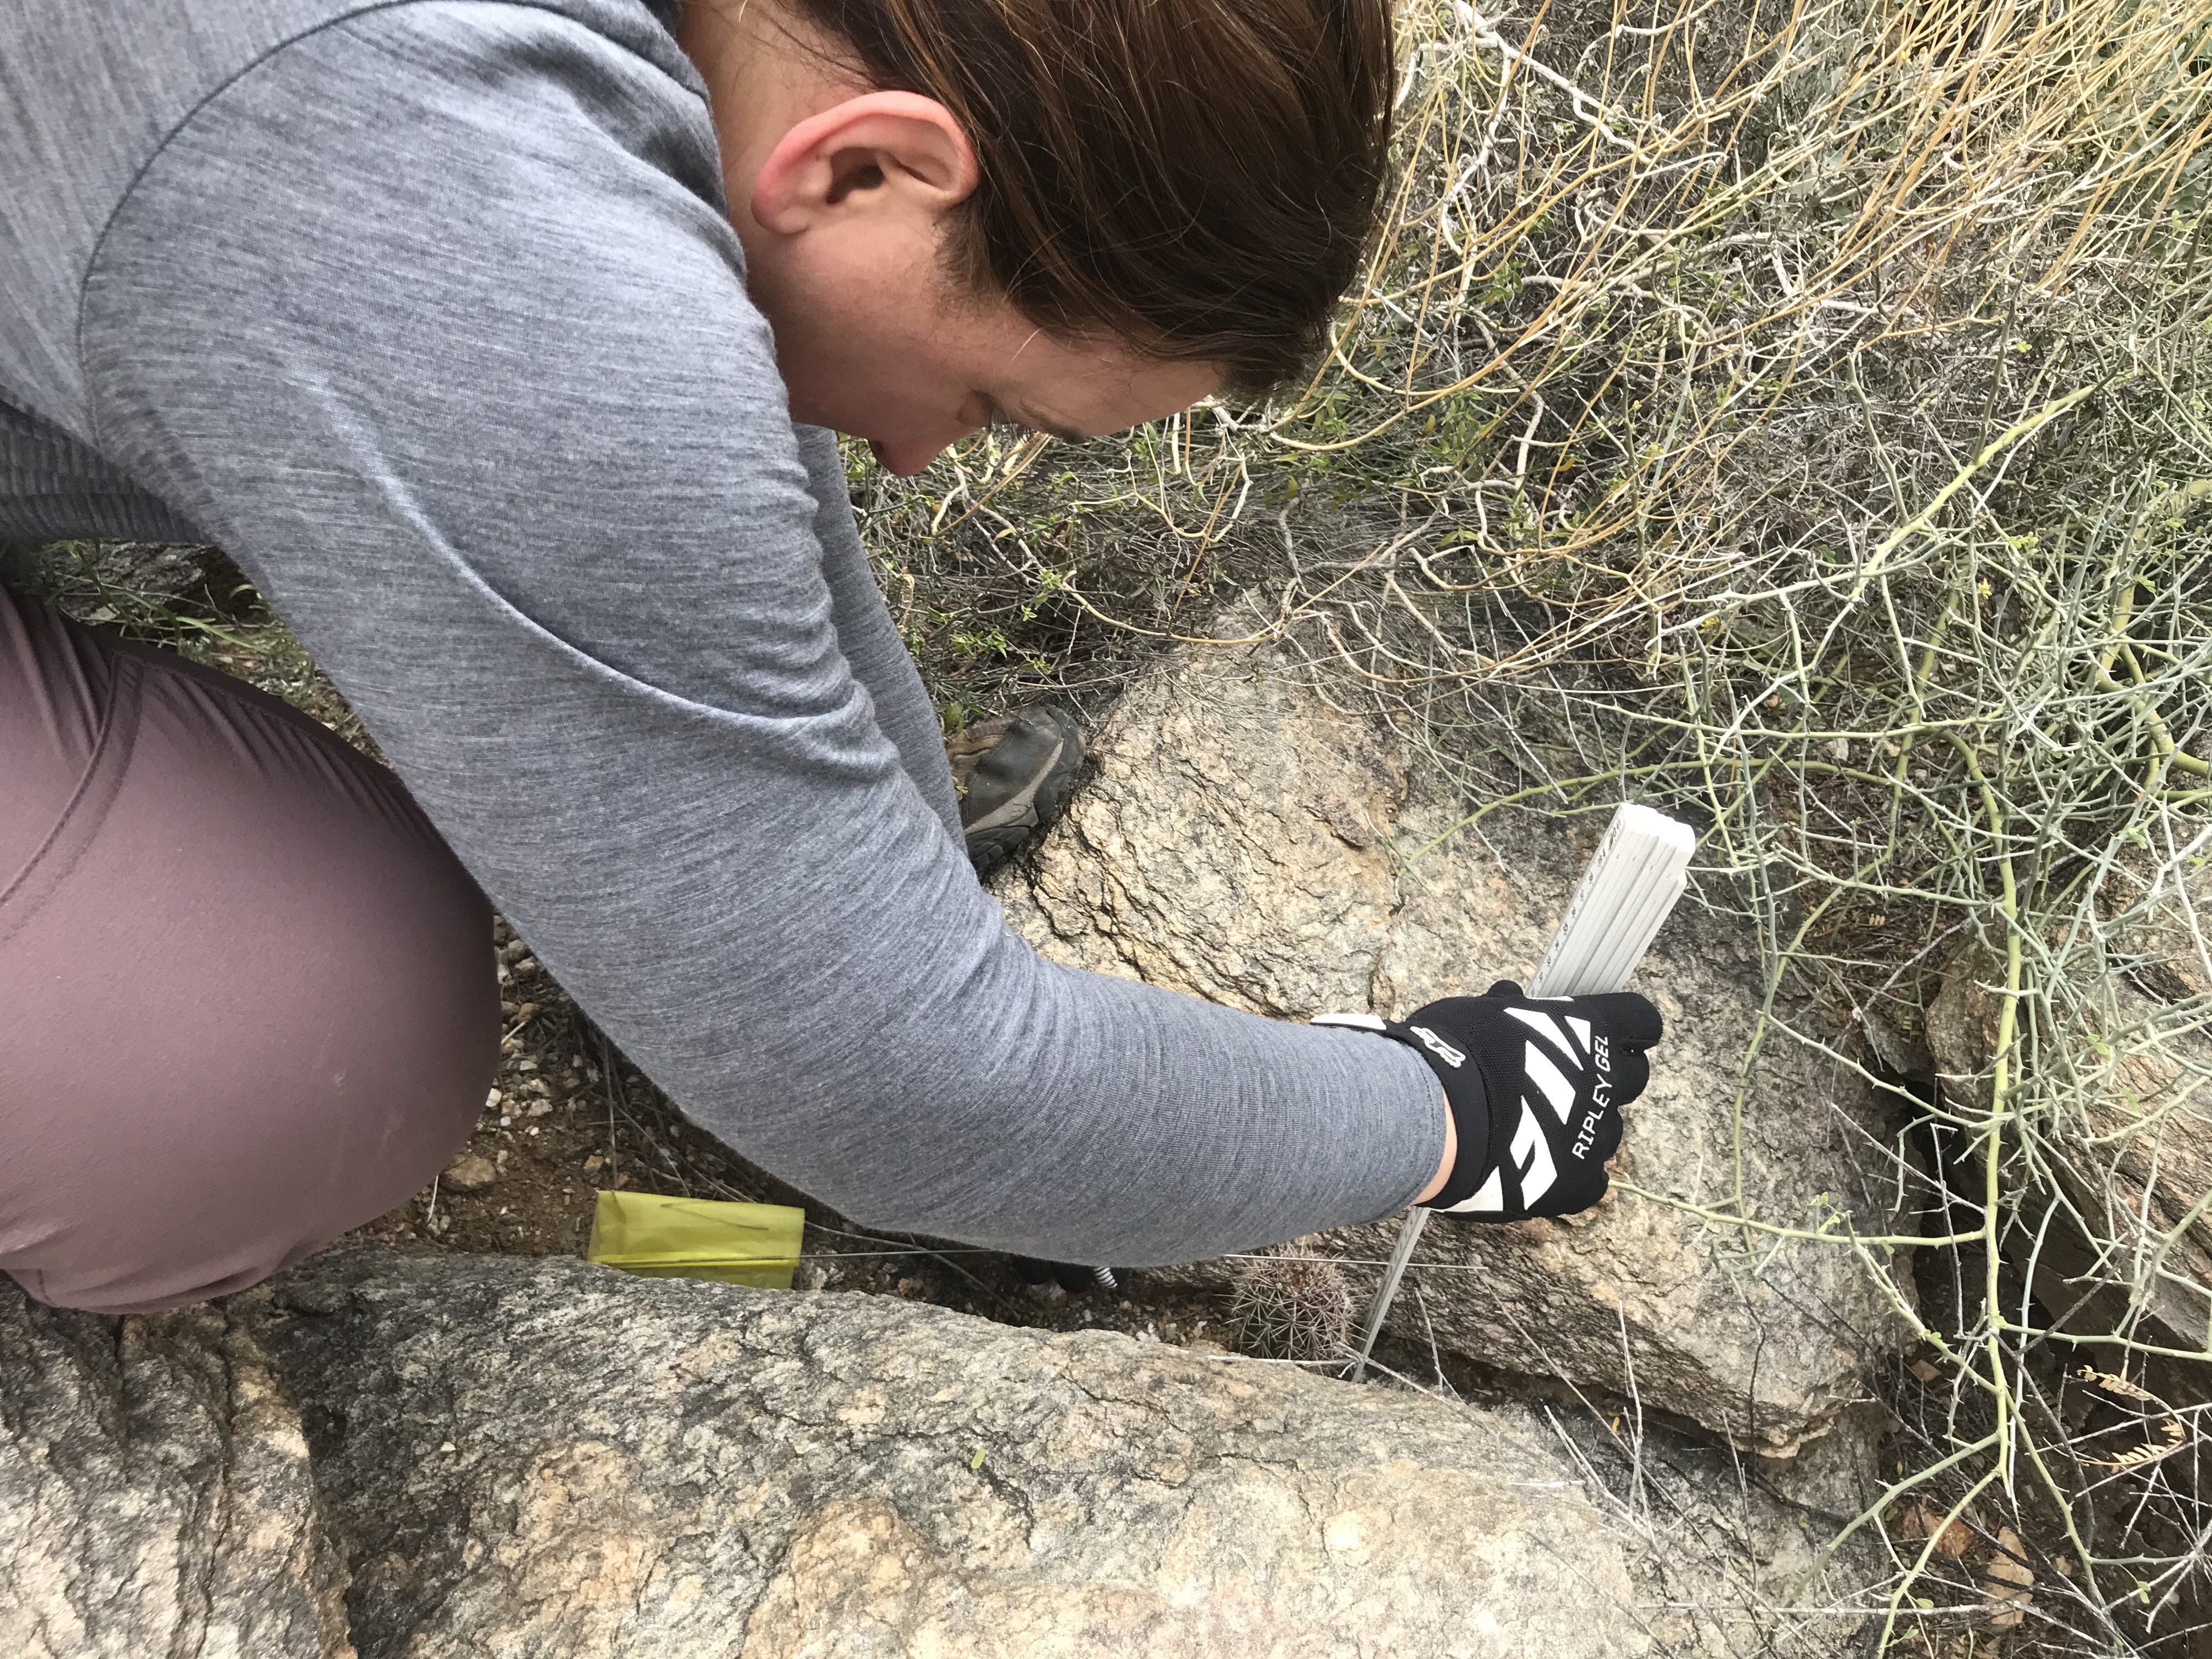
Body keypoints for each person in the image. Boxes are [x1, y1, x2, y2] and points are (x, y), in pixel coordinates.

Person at [0, 0, 1661, 1314]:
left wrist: (874, 885)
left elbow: (719, 364)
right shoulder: (449, 183)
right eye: (992, 398)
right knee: (282, 1042)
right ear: (865, 170)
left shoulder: (745, 70)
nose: (931, 459)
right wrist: (1446, 1114)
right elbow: (909, 1095)